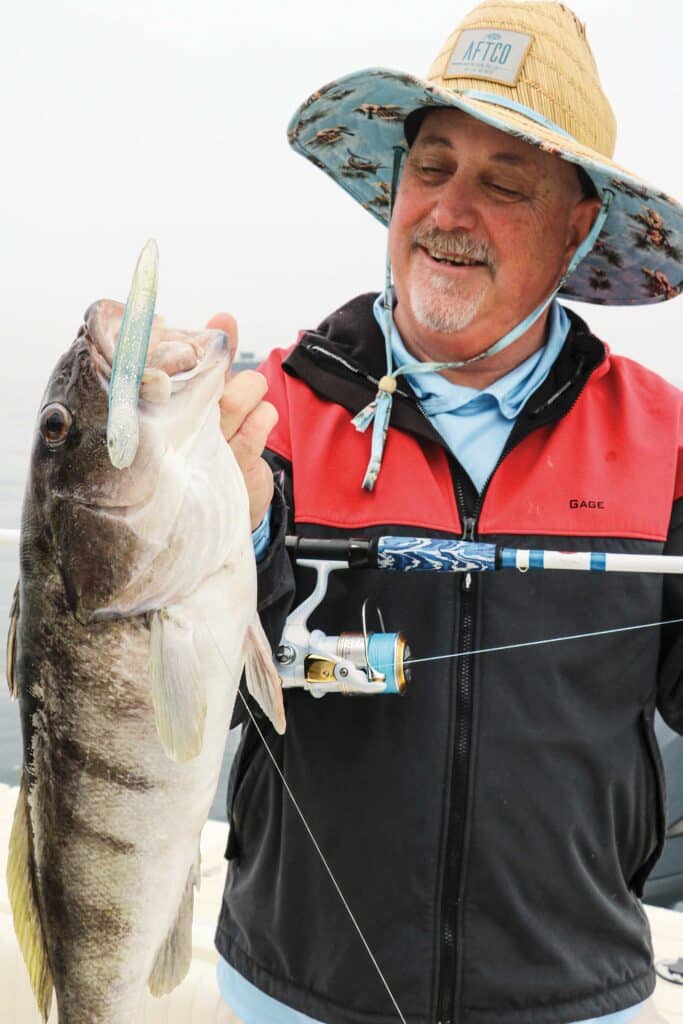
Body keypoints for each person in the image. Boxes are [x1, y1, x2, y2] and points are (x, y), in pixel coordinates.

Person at [210, 2, 682, 1022]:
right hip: (290, 991)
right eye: (430, 167)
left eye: (504, 181)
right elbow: (179, 682)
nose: (449, 209)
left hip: (574, 996)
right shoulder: (265, 414)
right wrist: (216, 525)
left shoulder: (668, 442)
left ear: (576, 228)